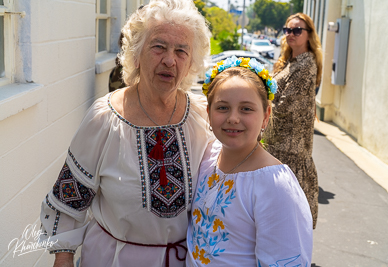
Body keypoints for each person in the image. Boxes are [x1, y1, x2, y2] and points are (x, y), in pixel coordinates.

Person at [39, 0, 212, 266]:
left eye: (181, 51)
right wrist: (64, 258)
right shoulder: (105, 118)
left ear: (191, 63)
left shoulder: (202, 117)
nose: (169, 59)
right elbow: (69, 200)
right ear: (136, 53)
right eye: (159, 47)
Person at [186, 56, 313, 266]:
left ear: (265, 115)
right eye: (222, 107)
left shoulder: (274, 185)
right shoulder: (207, 157)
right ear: (208, 112)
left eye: (246, 109)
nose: (233, 118)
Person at [266, 13, 323, 229]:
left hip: (290, 151)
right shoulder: (289, 62)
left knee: (287, 220)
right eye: (287, 30)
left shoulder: (306, 64)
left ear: (308, 35)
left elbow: (286, 106)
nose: (291, 34)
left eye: (297, 30)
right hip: (277, 146)